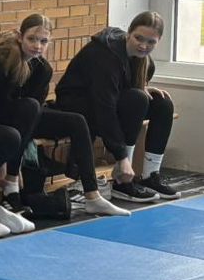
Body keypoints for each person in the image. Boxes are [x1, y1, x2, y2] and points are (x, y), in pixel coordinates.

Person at [0, 14, 130, 222]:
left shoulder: (42, 69)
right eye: (32, 39)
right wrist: (3, 159)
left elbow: (34, 114)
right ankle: (11, 186)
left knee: (77, 121)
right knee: (29, 106)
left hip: (23, 120)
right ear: (20, 37)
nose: (37, 46)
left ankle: (92, 195)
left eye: (43, 41)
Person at [54, 11, 179, 202]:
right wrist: (122, 158)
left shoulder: (144, 61)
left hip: (105, 100)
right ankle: (123, 179)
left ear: (158, 41)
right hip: (76, 103)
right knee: (137, 99)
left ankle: (150, 176)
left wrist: (143, 87)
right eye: (138, 38)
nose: (143, 46)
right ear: (129, 33)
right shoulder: (105, 55)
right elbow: (104, 108)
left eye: (151, 42)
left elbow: (119, 89)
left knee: (163, 104)